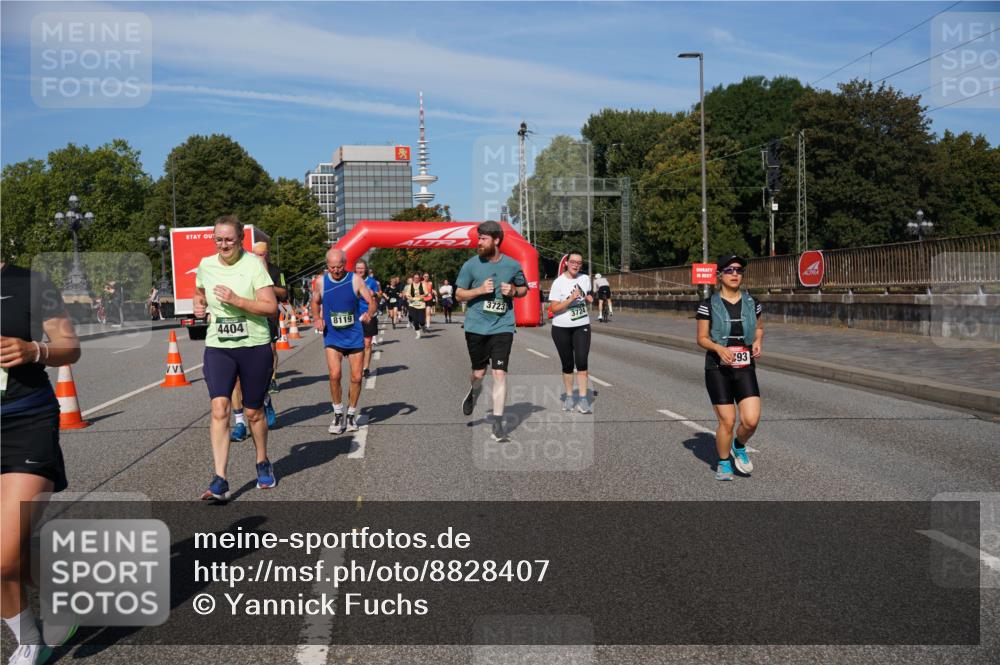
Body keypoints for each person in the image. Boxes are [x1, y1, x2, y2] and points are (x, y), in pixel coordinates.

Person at [1, 260, 82, 665]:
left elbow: (70, 346)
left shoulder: (31, 283)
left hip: (25, 422)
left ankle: (32, 637)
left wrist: (35, 350)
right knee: (7, 551)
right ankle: (51, 605)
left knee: (2, 556)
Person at [193, 215, 278, 499]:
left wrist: (236, 300)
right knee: (219, 408)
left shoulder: (253, 265)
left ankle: (262, 461)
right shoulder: (206, 265)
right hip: (219, 345)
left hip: (254, 345)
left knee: (253, 412)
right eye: (218, 239)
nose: (224, 244)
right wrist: (199, 305)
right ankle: (220, 478)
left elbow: (270, 307)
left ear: (240, 239)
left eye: (229, 239)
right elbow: (199, 293)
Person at [455, 221, 528, 442]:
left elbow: (524, 289)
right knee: (479, 373)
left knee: (499, 373)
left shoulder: (512, 265)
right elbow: (459, 294)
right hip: (476, 326)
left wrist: (514, 291)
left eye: (483, 238)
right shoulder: (471, 265)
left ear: (496, 240)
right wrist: (478, 290)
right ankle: (474, 391)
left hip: (502, 326)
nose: (479, 242)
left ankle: (497, 425)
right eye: (478, 238)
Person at [695, 255, 764, 481]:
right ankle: (724, 463)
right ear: (720, 275)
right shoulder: (708, 305)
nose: (735, 274)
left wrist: (757, 341)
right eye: (729, 270)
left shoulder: (752, 302)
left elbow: (759, 328)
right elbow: (701, 338)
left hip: (744, 366)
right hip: (718, 368)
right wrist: (718, 348)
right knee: (727, 420)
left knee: (751, 420)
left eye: (739, 270)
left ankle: (739, 445)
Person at [312, 248, 376, 435]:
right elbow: (315, 301)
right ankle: (338, 413)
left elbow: (371, 301)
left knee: (356, 377)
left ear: (345, 264)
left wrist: (369, 313)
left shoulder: (355, 280)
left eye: (339, 267)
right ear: (327, 266)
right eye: (332, 267)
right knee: (335, 374)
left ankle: (351, 414)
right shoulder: (321, 281)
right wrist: (317, 318)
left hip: (354, 334)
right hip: (332, 335)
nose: (336, 271)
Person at [229, 240, 285, 441]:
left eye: (263, 254)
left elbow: (283, 293)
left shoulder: (274, 271)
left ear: (268, 254)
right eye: (257, 254)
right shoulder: (238, 270)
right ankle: (239, 423)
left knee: (257, 374)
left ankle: (265, 398)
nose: (260, 257)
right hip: (237, 325)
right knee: (235, 378)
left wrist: (266, 285)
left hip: (264, 323)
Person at [547, 251, 594, 413]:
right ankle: (568, 396)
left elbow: (587, 295)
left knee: (582, 362)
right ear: (566, 263)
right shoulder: (558, 283)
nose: (576, 265)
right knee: (567, 364)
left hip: (582, 325)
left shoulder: (585, 279)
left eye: (579, 263)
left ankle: (583, 399)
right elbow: (554, 308)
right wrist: (570, 299)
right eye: (573, 262)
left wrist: (588, 299)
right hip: (561, 328)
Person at [356, 260, 381, 379]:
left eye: (362, 268)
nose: (360, 270)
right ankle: (358, 366)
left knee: (367, 343)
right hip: (355, 316)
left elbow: (379, 295)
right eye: (358, 268)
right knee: (357, 344)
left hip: (368, 315)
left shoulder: (371, 282)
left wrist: (374, 294)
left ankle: (365, 368)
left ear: (365, 269)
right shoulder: (352, 281)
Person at [404, 272, 428, 339]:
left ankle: (423, 326)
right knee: (415, 320)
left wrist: (422, 296)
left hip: (421, 304)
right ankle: (418, 334)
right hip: (412, 305)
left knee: (422, 321)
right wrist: (410, 298)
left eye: (417, 278)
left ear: (419, 278)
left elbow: (426, 293)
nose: (416, 279)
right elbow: (407, 295)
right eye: (415, 278)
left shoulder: (423, 285)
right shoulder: (410, 286)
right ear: (413, 278)